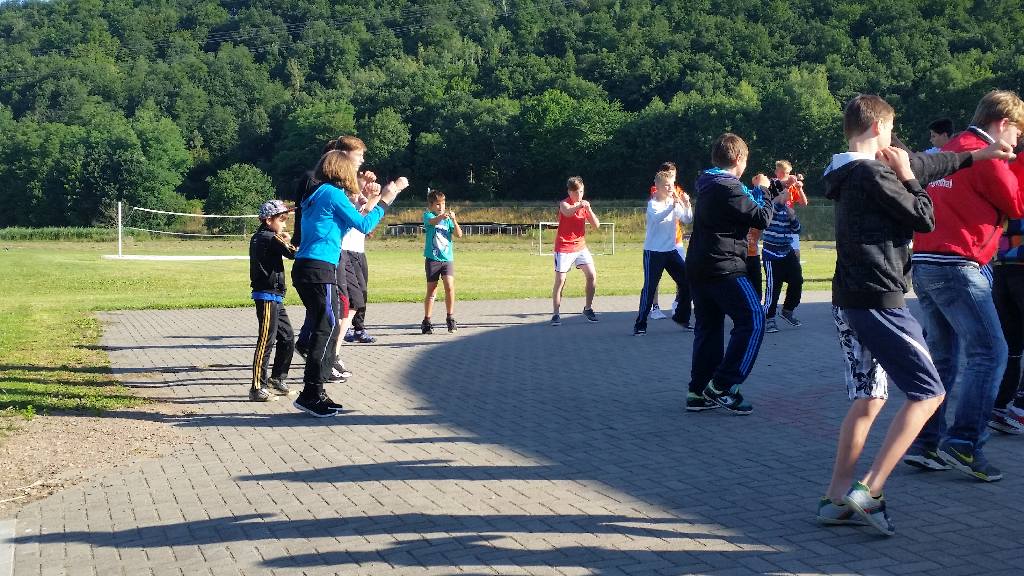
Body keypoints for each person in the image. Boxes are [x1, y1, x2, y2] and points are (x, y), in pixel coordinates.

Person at [817, 94, 1014, 536]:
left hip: (848, 300)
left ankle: (835, 498)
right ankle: (870, 490)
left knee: (869, 398)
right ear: (877, 128)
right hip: (879, 300)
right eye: (890, 131)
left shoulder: (845, 170)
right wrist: (907, 175)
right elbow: (924, 216)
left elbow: (928, 165)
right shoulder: (874, 174)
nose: (896, 142)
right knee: (929, 394)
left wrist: (978, 155)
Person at [904, 90, 1024, 481]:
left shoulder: (952, 148)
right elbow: (1017, 204)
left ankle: (926, 444)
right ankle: (964, 443)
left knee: (943, 357)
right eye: (1017, 134)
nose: (1016, 143)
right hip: (960, 264)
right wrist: (1017, 162)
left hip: (926, 261)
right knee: (991, 352)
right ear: (1003, 124)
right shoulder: (985, 155)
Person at [291, 148, 408, 417]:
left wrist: (364, 198)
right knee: (326, 328)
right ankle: (310, 393)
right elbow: (364, 225)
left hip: (310, 266)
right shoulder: (332, 193)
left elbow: (342, 220)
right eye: (352, 168)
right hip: (320, 268)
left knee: (328, 326)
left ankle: (317, 391)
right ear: (341, 170)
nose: (355, 172)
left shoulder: (319, 192)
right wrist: (386, 199)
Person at [684, 133, 776, 415]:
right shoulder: (729, 186)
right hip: (723, 266)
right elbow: (761, 218)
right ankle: (722, 386)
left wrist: (772, 189)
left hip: (700, 265)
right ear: (738, 158)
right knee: (754, 319)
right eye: (745, 161)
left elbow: (742, 209)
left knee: (709, 328)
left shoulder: (709, 183)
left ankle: (698, 391)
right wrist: (766, 191)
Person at [248, 199, 298, 402]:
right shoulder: (268, 237)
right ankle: (257, 387)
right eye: (282, 219)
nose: (284, 223)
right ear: (269, 220)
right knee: (266, 342)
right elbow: (293, 253)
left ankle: (277, 378)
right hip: (266, 295)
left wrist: (284, 239)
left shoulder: (264, 236)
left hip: (275, 295)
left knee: (287, 337)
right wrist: (289, 240)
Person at [633, 170, 693, 335]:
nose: (670, 188)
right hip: (653, 252)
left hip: (670, 251)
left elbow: (687, 219)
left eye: (671, 185)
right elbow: (657, 218)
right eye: (666, 185)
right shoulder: (653, 204)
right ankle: (640, 324)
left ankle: (682, 317)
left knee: (688, 281)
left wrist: (686, 204)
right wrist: (672, 207)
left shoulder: (674, 202)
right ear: (657, 187)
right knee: (650, 287)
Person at [551, 176, 600, 326]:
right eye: (577, 192)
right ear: (570, 192)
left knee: (592, 275)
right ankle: (556, 314)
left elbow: (596, 225)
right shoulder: (564, 204)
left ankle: (588, 308)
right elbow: (568, 212)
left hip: (580, 247)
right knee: (560, 280)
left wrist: (589, 209)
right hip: (564, 247)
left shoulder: (584, 206)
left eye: (582, 192)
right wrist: (579, 206)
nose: (580, 195)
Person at [647, 161, 692, 323]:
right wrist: (674, 201)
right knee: (654, 279)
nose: (673, 180)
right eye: (670, 176)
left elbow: (686, 217)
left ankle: (678, 303)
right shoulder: (657, 190)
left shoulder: (677, 190)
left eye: (674, 176)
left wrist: (686, 203)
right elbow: (659, 209)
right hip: (658, 246)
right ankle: (655, 307)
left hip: (675, 240)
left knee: (684, 275)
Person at [761, 169, 804, 334]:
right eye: (785, 193)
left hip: (787, 252)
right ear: (778, 195)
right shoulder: (769, 208)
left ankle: (787, 311)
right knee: (773, 287)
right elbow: (776, 197)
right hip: (772, 255)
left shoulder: (787, 209)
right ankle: (769, 318)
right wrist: (786, 186)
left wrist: (793, 217)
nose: (788, 195)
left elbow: (797, 230)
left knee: (797, 281)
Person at [421, 189, 464, 334]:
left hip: (447, 259)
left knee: (449, 286)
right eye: (438, 204)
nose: (441, 207)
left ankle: (450, 318)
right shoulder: (428, 215)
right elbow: (432, 222)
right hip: (433, 259)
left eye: (443, 204)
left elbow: (459, 234)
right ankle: (427, 321)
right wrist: (441, 216)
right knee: (432, 290)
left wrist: (454, 220)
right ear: (431, 205)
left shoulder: (447, 220)